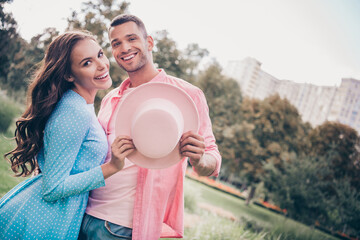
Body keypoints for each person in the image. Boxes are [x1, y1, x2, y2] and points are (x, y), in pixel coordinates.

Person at [79, 14, 221, 240]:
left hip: (119, 228)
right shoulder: (111, 98)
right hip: (82, 212)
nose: (124, 48)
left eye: (132, 39)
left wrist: (200, 159)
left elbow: (211, 158)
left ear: (150, 43)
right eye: (116, 43)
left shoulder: (187, 96)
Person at [0, 30, 135, 240]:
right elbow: (52, 189)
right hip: (42, 219)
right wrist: (112, 167)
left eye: (100, 54)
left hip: (60, 214)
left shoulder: (82, 105)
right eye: (87, 63)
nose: (101, 65)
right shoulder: (74, 111)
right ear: (68, 74)